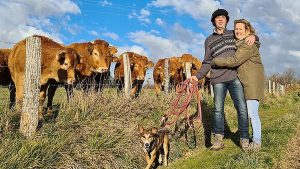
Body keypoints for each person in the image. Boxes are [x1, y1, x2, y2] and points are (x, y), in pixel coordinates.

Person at [190, 9, 256, 150]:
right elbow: (207, 62)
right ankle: (218, 140)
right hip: (218, 79)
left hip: (235, 77)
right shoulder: (208, 40)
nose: (220, 20)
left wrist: (254, 37)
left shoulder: (234, 34)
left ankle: (244, 138)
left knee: (242, 109)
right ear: (213, 21)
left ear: (226, 20)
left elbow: (249, 39)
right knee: (218, 110)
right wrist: (197, 76)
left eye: (223, 18)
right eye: (217, 18)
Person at [212, 19, 264, 151]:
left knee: (252, 113)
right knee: (250, 112)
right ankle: (254, 139)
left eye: (241, 29)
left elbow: (234, 60)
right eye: (236, 29)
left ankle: (257, 142)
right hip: (247, 82)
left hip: (251, 83)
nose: (238, 31)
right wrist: (254, 36)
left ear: (247, 30)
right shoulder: (241, 43)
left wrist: (215, 61)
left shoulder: (247, 45)